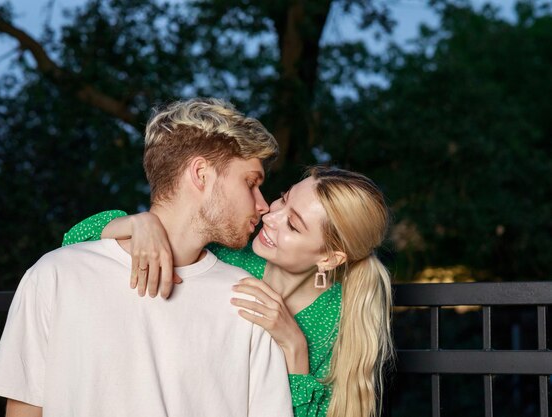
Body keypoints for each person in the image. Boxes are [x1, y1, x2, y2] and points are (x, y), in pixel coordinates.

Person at [0, 98, 294, 417]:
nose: (263, 204)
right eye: (251, 183)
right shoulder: (57, 275)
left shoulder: (249, 298)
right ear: (201, 174)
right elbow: (24, 409)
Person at [63, 166, 394, 417]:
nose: (270, 215)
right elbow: (73, 243)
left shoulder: (339, 318)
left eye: (293, 225)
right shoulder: (227, 252)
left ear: (329, 258)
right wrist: (140, 223)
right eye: (283, 198)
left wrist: (294, 348)